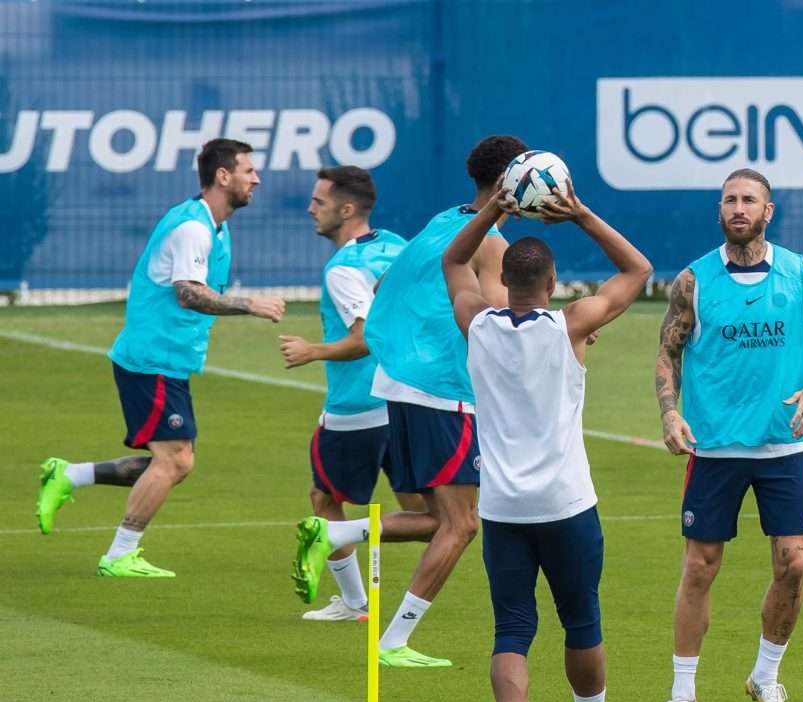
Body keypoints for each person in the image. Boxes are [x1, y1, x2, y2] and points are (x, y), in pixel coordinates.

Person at [443, 181, 650, 702]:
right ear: (553, 281)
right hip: (566, 505)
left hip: (504, 507)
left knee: (511, 627)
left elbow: (453, 261)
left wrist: (493, 208)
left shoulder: (476, 323)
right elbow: (637, 268)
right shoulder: (571, 326)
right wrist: (580, 212)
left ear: (502, 281)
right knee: (581, 620)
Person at [291, 135, 527, 666]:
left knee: (434, 518)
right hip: (443, 389)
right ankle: (392, 639)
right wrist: (559, 331)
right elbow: (497, 325)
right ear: (515, 181)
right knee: (462, 524)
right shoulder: (491, 241)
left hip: (402, 382)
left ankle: (335, 535)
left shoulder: (448, 218)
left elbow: (395, 289)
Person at [654, 168, 803, 702]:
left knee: (794, 562)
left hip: (784, 446)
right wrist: (670, 412)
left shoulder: (797, 272)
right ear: (720, 211)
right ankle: (682, 694)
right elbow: (669, 351)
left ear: (769, 210)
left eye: (749, 200)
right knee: (699, 566)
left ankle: (766, 676)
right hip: (713, 448)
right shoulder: (693, 281)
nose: (738, 208)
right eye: (729, 200)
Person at [35, 138, 286, 576]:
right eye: (248, 170)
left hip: (166, 360)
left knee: (171, 461)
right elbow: (188, 293)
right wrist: (250, 305)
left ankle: (70, 476)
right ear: (223, 176)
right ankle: (119, 554)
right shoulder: (192, 227)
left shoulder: (214, 225)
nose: (257, 178)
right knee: (176, 460)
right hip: (150, 360)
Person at [278, 166, 437, 620]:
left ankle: (354, 600)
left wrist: (313, 351)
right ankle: (402, 608)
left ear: (346, 209)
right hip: (408, 401)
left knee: (324, 500)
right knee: (432, 518)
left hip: (357, 408)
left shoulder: (343, 269)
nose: (310, 208)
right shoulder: (397, 246)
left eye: (319, 201)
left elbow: (367, 336)